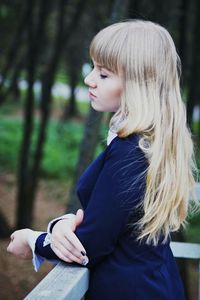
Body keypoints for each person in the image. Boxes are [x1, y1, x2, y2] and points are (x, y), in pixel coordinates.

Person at [7, 19, 198, 300]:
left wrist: (31, 240)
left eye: (104, 74)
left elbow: (89, 247)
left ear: (138, 85)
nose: (89, 79)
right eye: (93, 67)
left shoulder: (131, 151)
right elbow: (113, 221)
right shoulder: (150, 144)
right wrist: (58, 225)